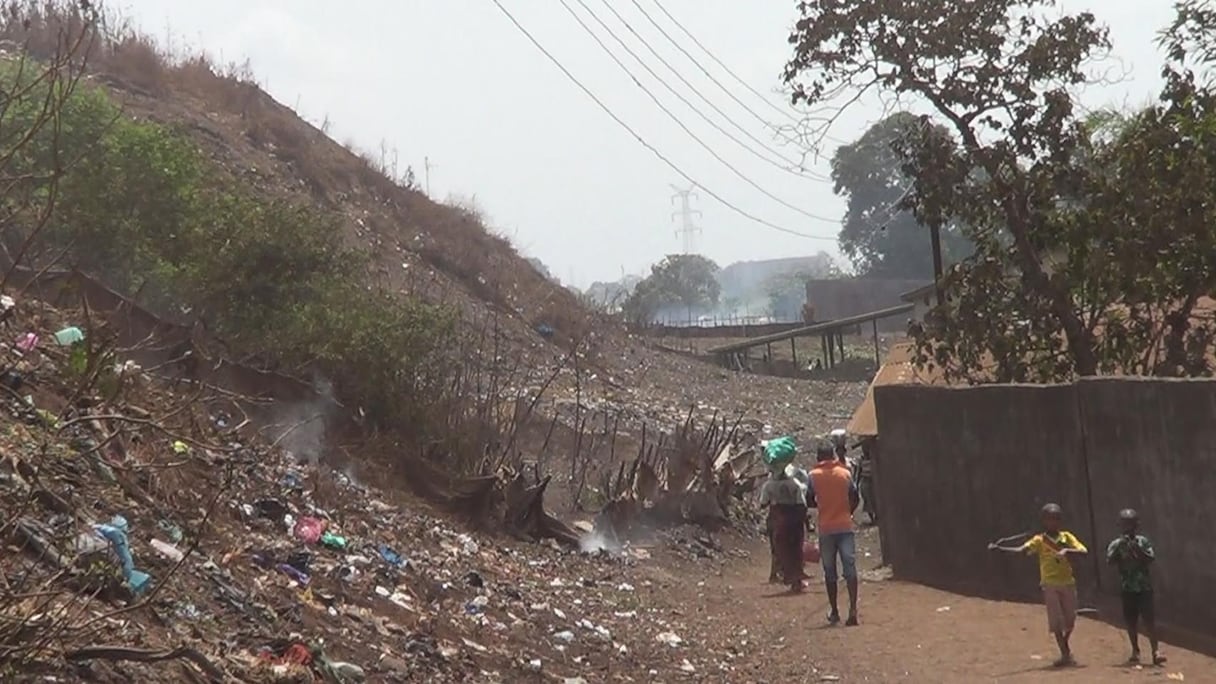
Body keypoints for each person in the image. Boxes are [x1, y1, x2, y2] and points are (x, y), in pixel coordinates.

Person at [989, 503, 1089, 667]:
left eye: (1056, 519)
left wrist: (1067, 551)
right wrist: (1001, 549)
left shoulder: (1067, 538)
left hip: (1068, 582)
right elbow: (1022, 550)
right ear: (1044, 521)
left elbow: (1084, 551)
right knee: (1056, 620)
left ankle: (1064, 647)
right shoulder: (1039, 540)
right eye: (1050, 519)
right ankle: (1065, 652)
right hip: (1049, 583)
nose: (1053, 523)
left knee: (1070, 619)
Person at [808, 440, 861, 625]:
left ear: (818, 457)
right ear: (833, 455)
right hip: (845, 526)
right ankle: (853, 610)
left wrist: (823, 504)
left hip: (826, 528)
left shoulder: (813, 476)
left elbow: (809, 500)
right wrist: (848, 511)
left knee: (830, 572)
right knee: (850, 569)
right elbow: (855, 497)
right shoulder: (845, 473)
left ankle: (835, 611)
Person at [1106, 509, 1165, 666]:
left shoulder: (1143, 541)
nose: (1128, 527)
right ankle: (1135, 650)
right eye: (1125, 524)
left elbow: (1150, 558)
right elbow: (1110, 561)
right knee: (1131, 621)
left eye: (1131, 524)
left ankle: (1155, 651)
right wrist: (1121, 547)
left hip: (1144, 587)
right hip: (1127, 588)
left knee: (1149, 621)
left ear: (1136, 525)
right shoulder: (1117, 544)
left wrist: (1137, 549)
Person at [758, 464, 809, 593]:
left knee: (781, 548)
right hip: (795, 518)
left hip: (778, 518)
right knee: (796, 548)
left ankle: (787, 575)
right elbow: (802, 503)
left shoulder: (769, 485)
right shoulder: (795, 483)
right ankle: (796, 578)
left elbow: (763, 503)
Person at [857, 439, 877, 524]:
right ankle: (872, 518)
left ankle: (876, 517)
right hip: (865, 481)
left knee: (875, 500)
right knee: (867, 500)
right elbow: (858, 472)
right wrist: (857, 483)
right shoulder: (861, 460)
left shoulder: (874, 458)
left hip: (874, 482)